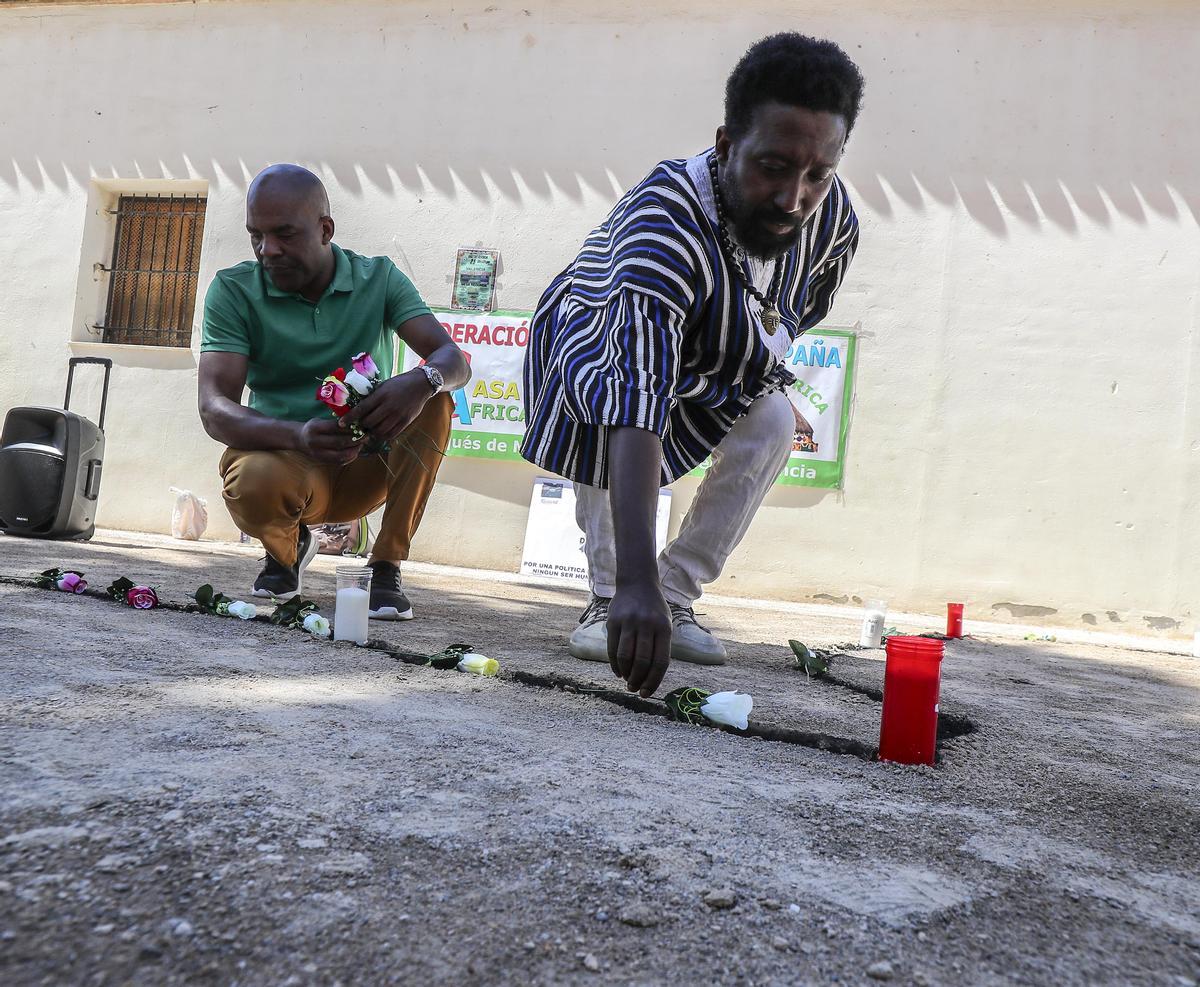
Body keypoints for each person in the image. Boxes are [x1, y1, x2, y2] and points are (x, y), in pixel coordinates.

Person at [521, 33, 863, 696]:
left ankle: (673, 600)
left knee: (769, 422)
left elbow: (799, 308)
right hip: (596, 337)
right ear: (727, 145)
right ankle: (609, 598)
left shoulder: (833, 219)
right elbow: (633, 401)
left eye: (817, 173)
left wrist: (752, 350)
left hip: (718, 345)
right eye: (773, 166)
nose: (794, 197)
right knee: (606, 411)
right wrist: (631, 585)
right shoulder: (661, 227)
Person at [198, 164, 470, 618]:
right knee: (252, 478)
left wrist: (420, 381)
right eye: (256, 236)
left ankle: (386, 565)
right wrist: (297, 436)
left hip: (367, 463)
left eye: (284, 234)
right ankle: (285, 550)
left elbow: (453, 359)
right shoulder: (234, 290)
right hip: (287, 461)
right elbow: (214, 409)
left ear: (325, 229)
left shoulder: (378, 278)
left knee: (436, 398)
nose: (269, 250)